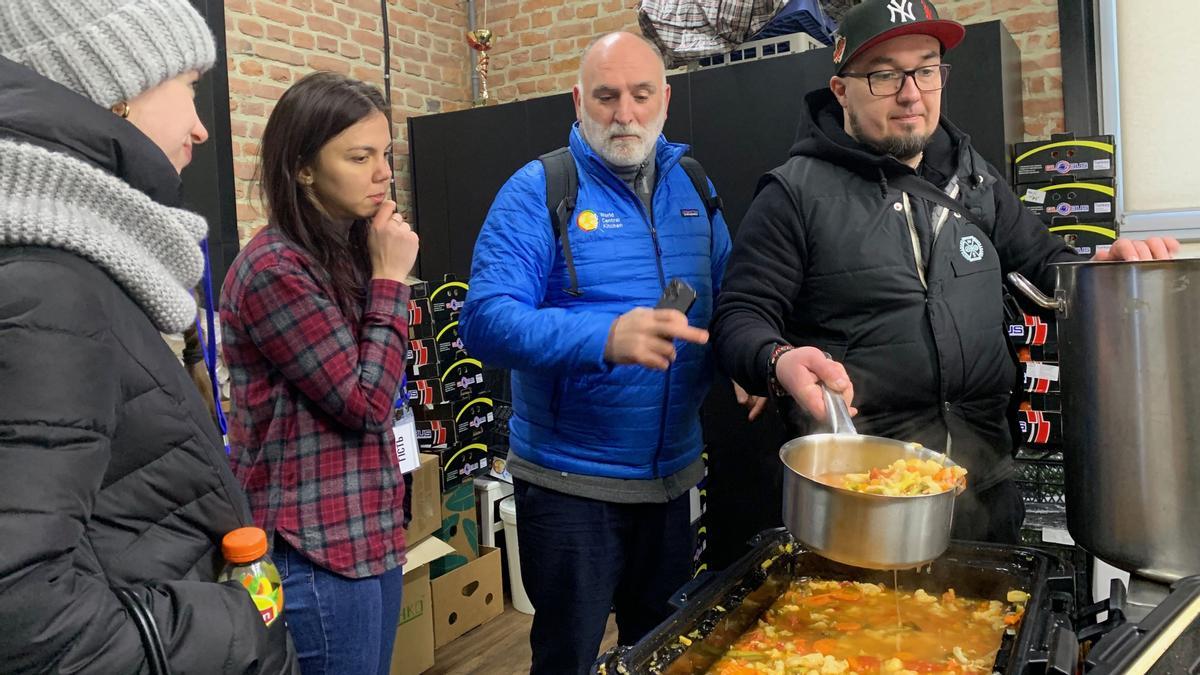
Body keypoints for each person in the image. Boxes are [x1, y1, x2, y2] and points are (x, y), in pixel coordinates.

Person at [712, 0, 1179, 544]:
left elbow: (1046, 264)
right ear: (841, 90)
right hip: (866, 497)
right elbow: (739, 318)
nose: (912, 92)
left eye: (927, 68)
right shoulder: (793, 194)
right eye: (885, 74)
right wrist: (778, 359)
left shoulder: (974, 180)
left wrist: (1099, 266)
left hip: (985, 485)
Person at [0, 0, 296, 672]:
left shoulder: (72, 252)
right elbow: (22, 612)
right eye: (189, 85)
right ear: (116, 87)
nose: (200, 126)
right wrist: (234, 626)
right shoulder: (46, 277)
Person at [460, 31, 737, 675]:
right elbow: (484, 321)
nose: (625, 114)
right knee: (565, 658)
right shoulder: (538, 189)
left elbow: (730, 300)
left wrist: (753, 362)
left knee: (662, 651)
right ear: (578, 100)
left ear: (665, 98)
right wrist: (604, 339)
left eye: (641, 95)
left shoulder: (693, 185)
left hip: (670, 481)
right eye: (607, 96)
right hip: (569, 487)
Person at [220, 71, 420, 675]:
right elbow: (365, 403)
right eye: (359, 157)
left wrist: (379, 271)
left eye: (385, 154)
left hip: (369, 528)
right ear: (303, 168)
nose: (384, 173)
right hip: (313, 548)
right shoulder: (275, 268)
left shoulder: (346, 251)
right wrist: (390, 281)